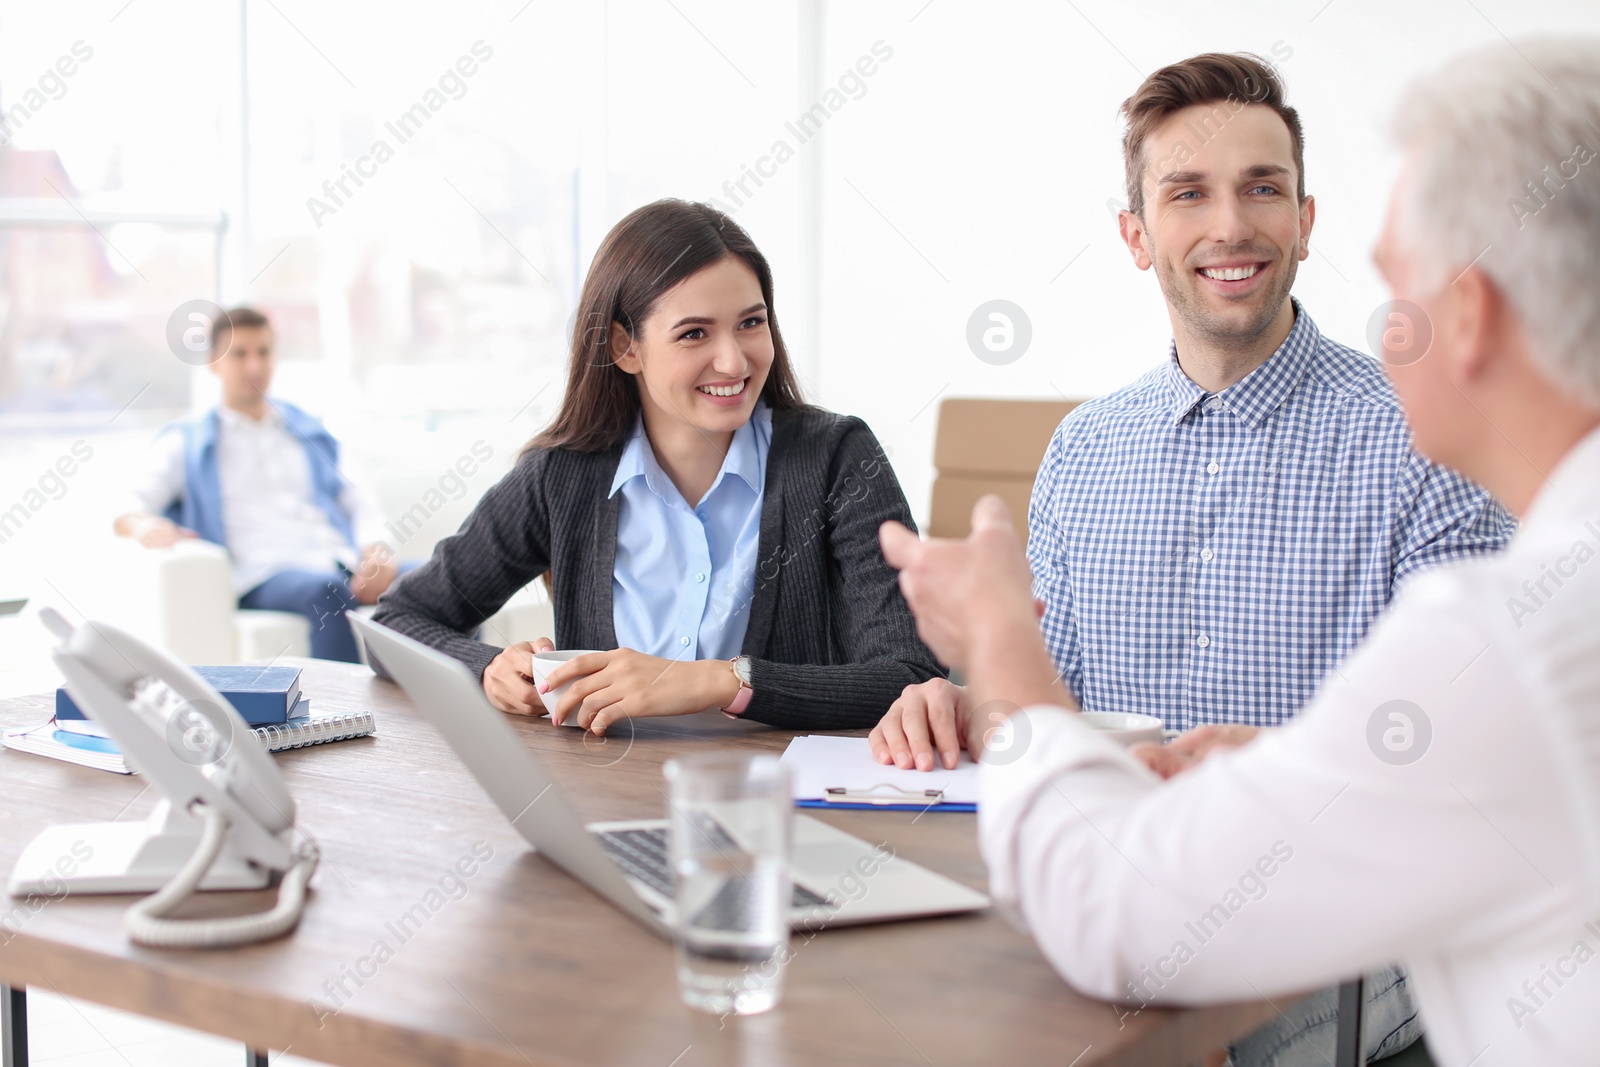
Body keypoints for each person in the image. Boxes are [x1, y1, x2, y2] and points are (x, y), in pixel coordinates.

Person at [879, 37, 1600, 1067]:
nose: (1229, 225)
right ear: (1135, 234)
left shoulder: (1437, 475)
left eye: (1263, 188)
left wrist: (994, 640)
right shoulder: (1083, 449)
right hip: (1128, 886)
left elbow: (1416, 779)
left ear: (1304, 223)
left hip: (1320, 944)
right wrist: (976, 694)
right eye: (1187, 194)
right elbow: (1059, 698)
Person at [373, 199, 940, 733]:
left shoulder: (836, 457)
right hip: (603, 799)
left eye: (750, 322)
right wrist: (487, 667)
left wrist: (721, 681)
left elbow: (912, 677)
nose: (734, 359)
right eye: (695, 333)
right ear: (625, 347)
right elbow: (395, 624)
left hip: (779, 805)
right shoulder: (561, 476)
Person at [115, 306, 400, 663]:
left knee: (441, 578)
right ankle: (347, 717)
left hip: (338, 563)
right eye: (240, 354)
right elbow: (127, 503)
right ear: (214, 362)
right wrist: (144, 524)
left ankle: (465, 708)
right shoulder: (189, 442)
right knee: (329, 592)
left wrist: (376, 550)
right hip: (263, 575)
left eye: (263, 353)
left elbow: (360, 501)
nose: (255, 366)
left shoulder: (309, 431)